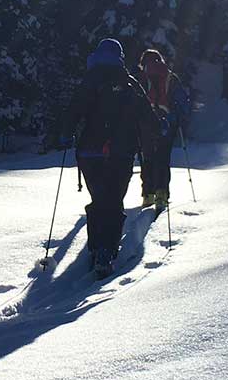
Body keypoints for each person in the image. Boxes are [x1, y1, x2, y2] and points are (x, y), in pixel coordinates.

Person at [60, 38, 160, 277]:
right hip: (121, 152)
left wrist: (64, 134)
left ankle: (96, 248)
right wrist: (158, 132)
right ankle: (107, 251)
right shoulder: (129, 83)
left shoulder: (89, 81)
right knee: (114, 200)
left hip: (90, 153)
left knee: (99, 199)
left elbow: (73, 111)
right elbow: (147, 116)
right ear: (120, 57)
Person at [135, 48, 190, 210]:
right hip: (167, 122)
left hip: (145, 124)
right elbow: (182, 102)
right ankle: (162, 194)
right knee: (163, 157)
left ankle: (147, 194)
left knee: (147, 157)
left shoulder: (140, 77)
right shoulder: (170, 77)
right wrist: (177, 117)